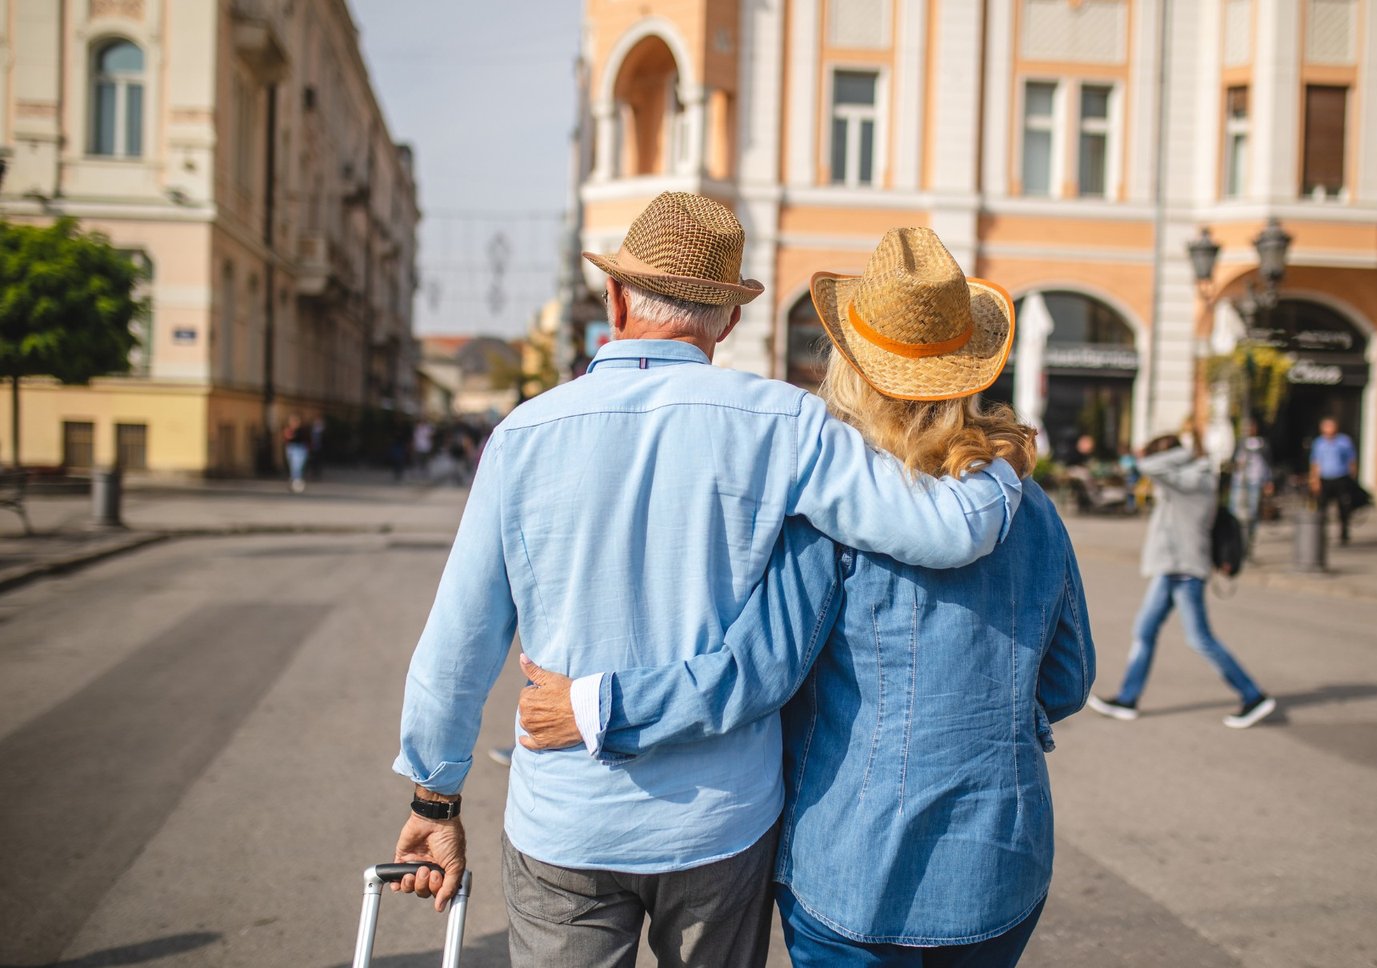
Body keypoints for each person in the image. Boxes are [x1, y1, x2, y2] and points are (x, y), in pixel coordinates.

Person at [387, 194, 1024, 968]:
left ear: (615, 298)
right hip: (719, 824)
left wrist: (434, 797)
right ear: (725, 321)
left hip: (567, 819)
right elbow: (946, 531)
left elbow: (458, 639)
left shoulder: (523, 434)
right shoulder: (785, 423)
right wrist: (1001, 464)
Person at [516, 226, 1095, 967]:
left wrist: (597, 707)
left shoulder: (835, 512)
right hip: (1001, 860)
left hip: (855, 865)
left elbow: (754, 676)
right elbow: (1069, 679)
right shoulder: (1027, 504)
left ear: (850, 365)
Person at [1088, 434, 1276, 728]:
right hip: (1171, 569)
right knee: (1144, 630)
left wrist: (1177, 453)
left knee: (1199, 638)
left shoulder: (1195, 480)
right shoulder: (1184, 477)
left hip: (1185, 570)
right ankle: (1127, 699)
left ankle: (1253, 696)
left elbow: (1148, 466)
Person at [1309, 417, 1358, 546]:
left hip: (1341, 476)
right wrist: (1314, 480)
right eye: (1326, 427)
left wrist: (1352, 478)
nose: (1328, 430)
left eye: (1330, 426)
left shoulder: (1344, 441)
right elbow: (1315, 462)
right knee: (1322, 508)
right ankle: (1321, 534)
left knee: (1343, 506)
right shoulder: (1319, 443)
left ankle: (1344, 533)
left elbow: (1351, 460)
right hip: (1325, 478)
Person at [1229, 417, 1273, 556]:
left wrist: (1268, 481)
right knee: (1235, 512)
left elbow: (1268, 463)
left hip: (1255, 482)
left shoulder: (1262, 444)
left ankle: (1249, 540)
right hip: (1239, 483)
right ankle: (1237, 541)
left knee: (1252, 512)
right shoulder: (1239, 443)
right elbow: (1232, 462)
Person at [281, 414, 310, 494]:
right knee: (294, 466)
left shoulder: (302, 430)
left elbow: (306, 440)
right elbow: (287, 439)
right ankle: (295, 482)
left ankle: (296, 482)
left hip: (300, 449)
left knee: (297, 466)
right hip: (292, 449)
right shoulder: (289, 430)